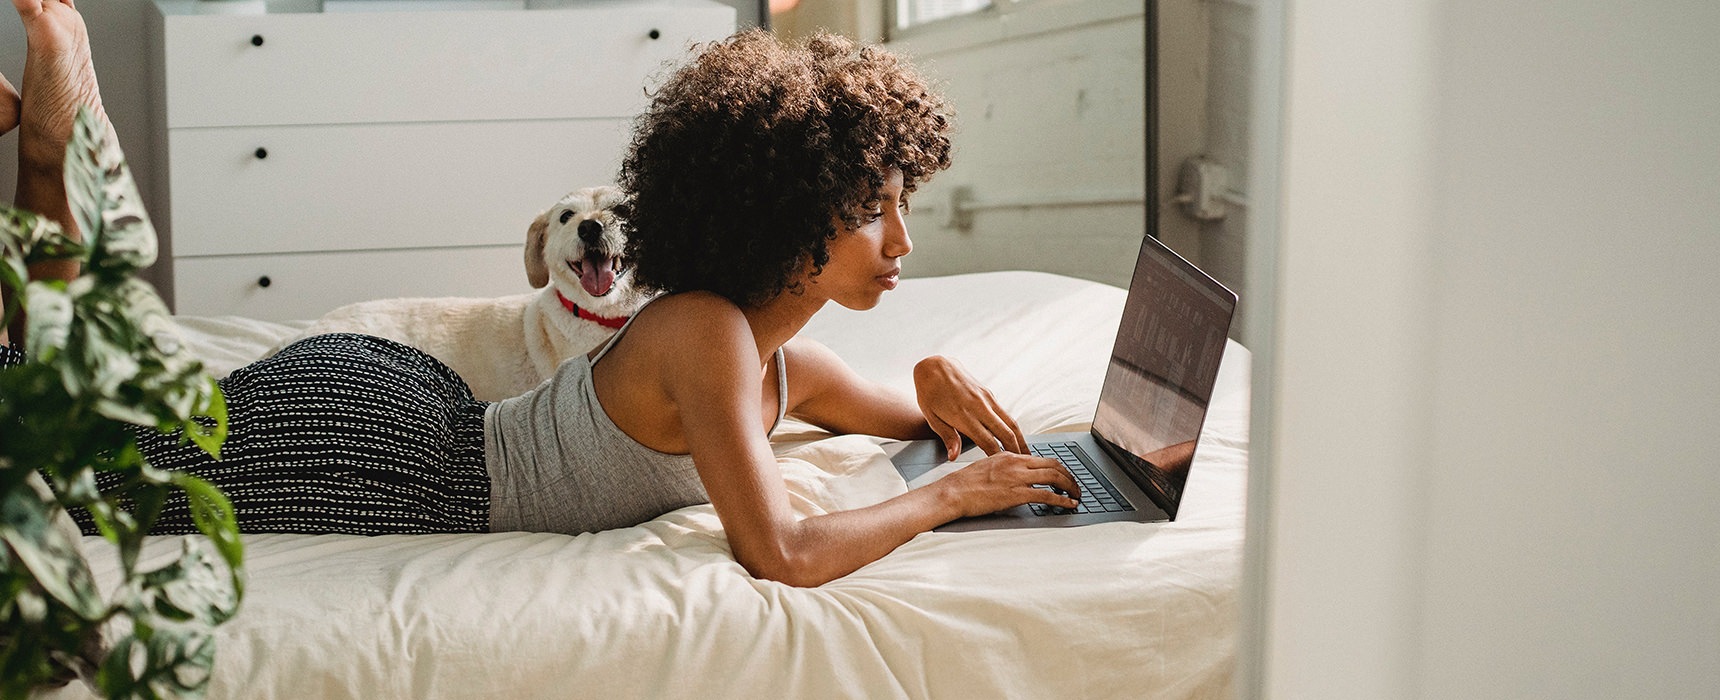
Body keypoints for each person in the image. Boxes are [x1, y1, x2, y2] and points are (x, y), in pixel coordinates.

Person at [0, 3, 1082, 587]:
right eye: (870, 211)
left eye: (901, 204)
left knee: (74, 416)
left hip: (414, 407)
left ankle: (48, 162)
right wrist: (945, 499)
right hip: (400, 457)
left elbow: (919, 421)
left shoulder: (785, 362)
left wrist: (938, 379)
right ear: (784, 213)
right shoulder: (704, 335)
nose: (900, 240)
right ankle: (50, 163)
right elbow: (784, 554)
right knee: (77, 457)